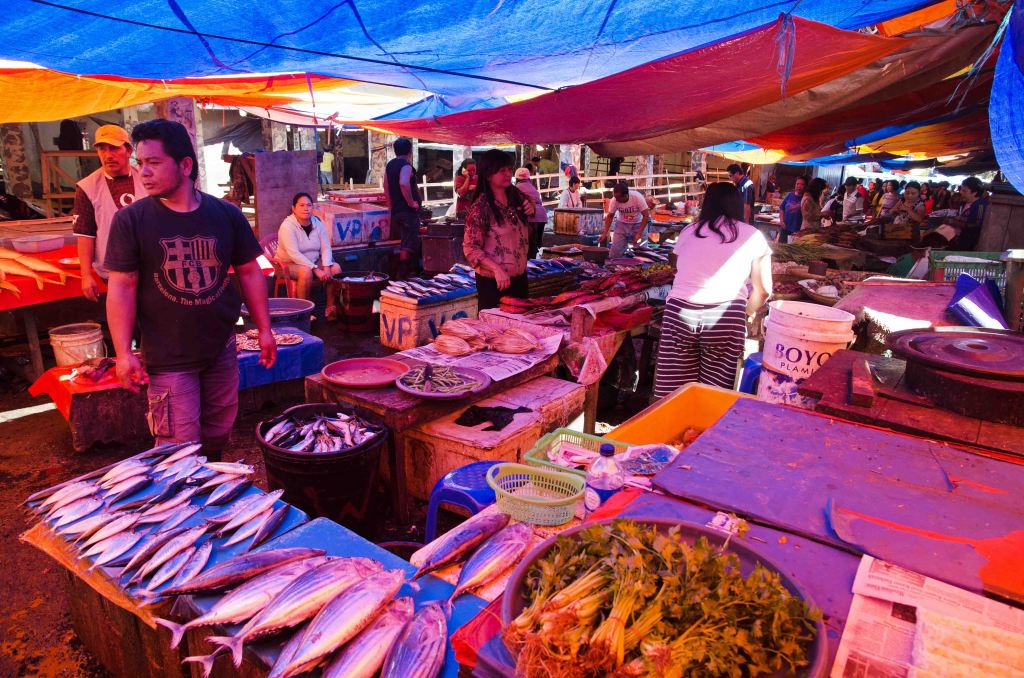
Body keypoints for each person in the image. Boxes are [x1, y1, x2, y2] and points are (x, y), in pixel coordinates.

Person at [104, 119, 275, 460]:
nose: (143, 172)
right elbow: (122, 287)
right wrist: (124, 352)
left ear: (185, 165)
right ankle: (182, 503)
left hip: (221, 349)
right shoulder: (131, 220)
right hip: (168, 357)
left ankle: (212, 498)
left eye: (153, 163)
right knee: (179, 450)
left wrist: (265, 329)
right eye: (141, 163)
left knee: (218, 433)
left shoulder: (226, 215)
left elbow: (249, 272)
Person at [653, 182, 772, 397]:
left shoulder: (690, 231)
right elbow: (764, 290)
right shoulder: (753, 235)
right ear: (738, 204)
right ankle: (705, 429)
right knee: (714, 394)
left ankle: (670, 427)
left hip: (679, 313)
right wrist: (747, 312)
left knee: (674, 394)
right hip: (725, 316)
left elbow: (681, 267)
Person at [72, 124, 146, 302]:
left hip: (149, 265)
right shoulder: (87, 187)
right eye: (102, 149)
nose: (108, 155)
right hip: (112, 270)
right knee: (126, 320)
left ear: (128, 151)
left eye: (114, 148)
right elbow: (85, 235)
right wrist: (86, 275)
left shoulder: (146, 178)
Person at [463, 150, 534, 310]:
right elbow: (470, 248)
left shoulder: (516, 195)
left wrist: (531, 207)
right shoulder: (481, 208)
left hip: (520, 278)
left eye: (509, 169)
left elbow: (531, 203)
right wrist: (496, 270)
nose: (508, 174)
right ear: (488, 175)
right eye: (502, 170)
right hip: (494, 283)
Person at [276, 192, 341, 319]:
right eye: (301, 205)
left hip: (312, 261)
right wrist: (315, 269)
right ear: (293, 208)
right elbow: (293, 254)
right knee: (305, 272)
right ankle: (304, 313)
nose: (306, 208)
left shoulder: (317, 223)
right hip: (288, 265)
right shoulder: (287, 226)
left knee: (336, 268)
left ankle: (330, 308)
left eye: (309, 205)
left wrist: (327, 267)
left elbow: (326, 247)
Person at [383, 137, 422, 278]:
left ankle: (404, 274)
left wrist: (390, 206)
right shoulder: (406, 166)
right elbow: (404, 183)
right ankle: (403, 276)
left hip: (396, 212)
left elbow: (385, 186)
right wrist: (411, 203)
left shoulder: (390, 165)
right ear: (410, 151)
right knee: (407, 244)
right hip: (407, 212)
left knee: (403, 242)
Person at [600, 182, 651, 258]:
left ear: (626, 195)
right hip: (621, 225)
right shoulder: (614, 200)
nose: (616, 200)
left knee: (641, 251)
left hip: (638, 224)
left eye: (618, 198)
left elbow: (646, 215)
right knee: (615, 252)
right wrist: (604, 233)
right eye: (615, 197)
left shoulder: (637, 197)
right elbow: (610, 216)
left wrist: (639, 233)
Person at [938, 177, 988, 250]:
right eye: (961, 189)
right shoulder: (963, 203)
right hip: (957, 240)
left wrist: (954, 222)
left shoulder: (980, 205)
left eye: (964, 190)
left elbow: (976, 225)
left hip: (968, 245)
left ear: (974, 192)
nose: (960, 192)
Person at [514, 167, 548, 259]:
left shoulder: (516, 188)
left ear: (516, 179)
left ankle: (530, 265)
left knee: (529, 245)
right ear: (529, 178)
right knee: (538, 244)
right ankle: (537, 261)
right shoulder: (533, 187)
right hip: (542, 215)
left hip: (530, 216)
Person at [778, 175, 806, 243]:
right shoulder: (790, 195)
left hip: (797, 231)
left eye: (802, 184)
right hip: (785, 228)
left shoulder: (805, 198)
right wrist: (781, 221)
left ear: (805, 186)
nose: (799, 186)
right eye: (797, 184)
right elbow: (782, 208)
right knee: (781, 249)